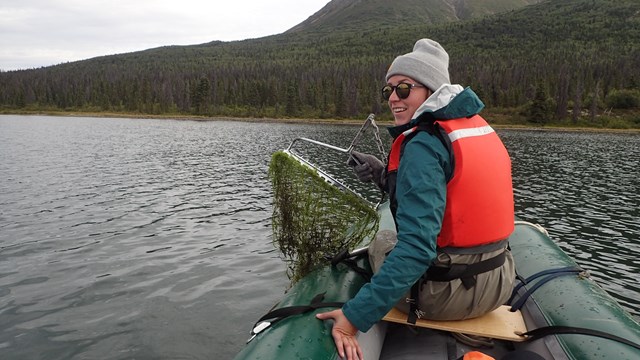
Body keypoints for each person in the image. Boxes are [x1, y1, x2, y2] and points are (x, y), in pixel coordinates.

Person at [316, 38, 516, 360]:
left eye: (404, 88)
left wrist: (352, 319)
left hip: (449, 297)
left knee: (384, 240)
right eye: (389, 91)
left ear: (431, 90)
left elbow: (418, 247)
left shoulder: (423, 145)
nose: (393, 97)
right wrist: (384, 175)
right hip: (499, 282)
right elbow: (453, 197)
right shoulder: (471, 127)